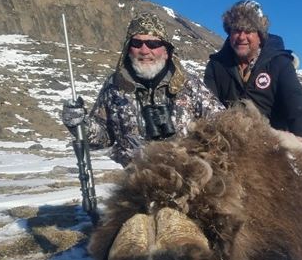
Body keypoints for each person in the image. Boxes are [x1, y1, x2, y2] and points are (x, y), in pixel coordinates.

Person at [62, 12, 224, 166]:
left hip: (189, 180)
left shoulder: (189, 85)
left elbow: (222, 127)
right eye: (137, 43)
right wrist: (80, 124)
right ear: (128, 48)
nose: (145, 51)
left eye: (153, 44)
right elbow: (103, 137)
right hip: (136, 182)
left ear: (166, 51)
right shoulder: (114, 86)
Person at [204, 0, 302, 145]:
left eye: (248, 31)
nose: (241, 37)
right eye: (236, 30)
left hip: (273, 149)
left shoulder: (279, 63)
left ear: (260, 35)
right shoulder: (216, 65)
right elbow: (207, 111)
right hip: (228, 146)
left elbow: (299, 111)